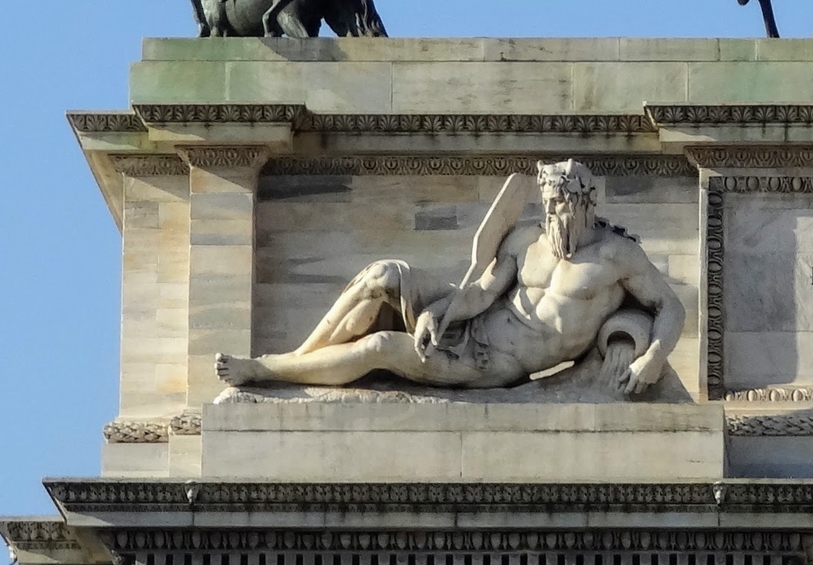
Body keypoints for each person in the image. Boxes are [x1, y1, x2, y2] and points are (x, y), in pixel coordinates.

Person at [215, 160, 683, 396]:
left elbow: (669, 307)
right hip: (472, 322)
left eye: (559, 203)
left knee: (378, 349)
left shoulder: (618, 256)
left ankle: (266, 369)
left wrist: (651, 357)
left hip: (495, 363)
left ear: (585, 201)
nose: (551, 212)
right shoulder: (526, 240)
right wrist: (439, 313)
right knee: (381, 275)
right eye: (546, 202)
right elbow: (481, 291)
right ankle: (300, 359)